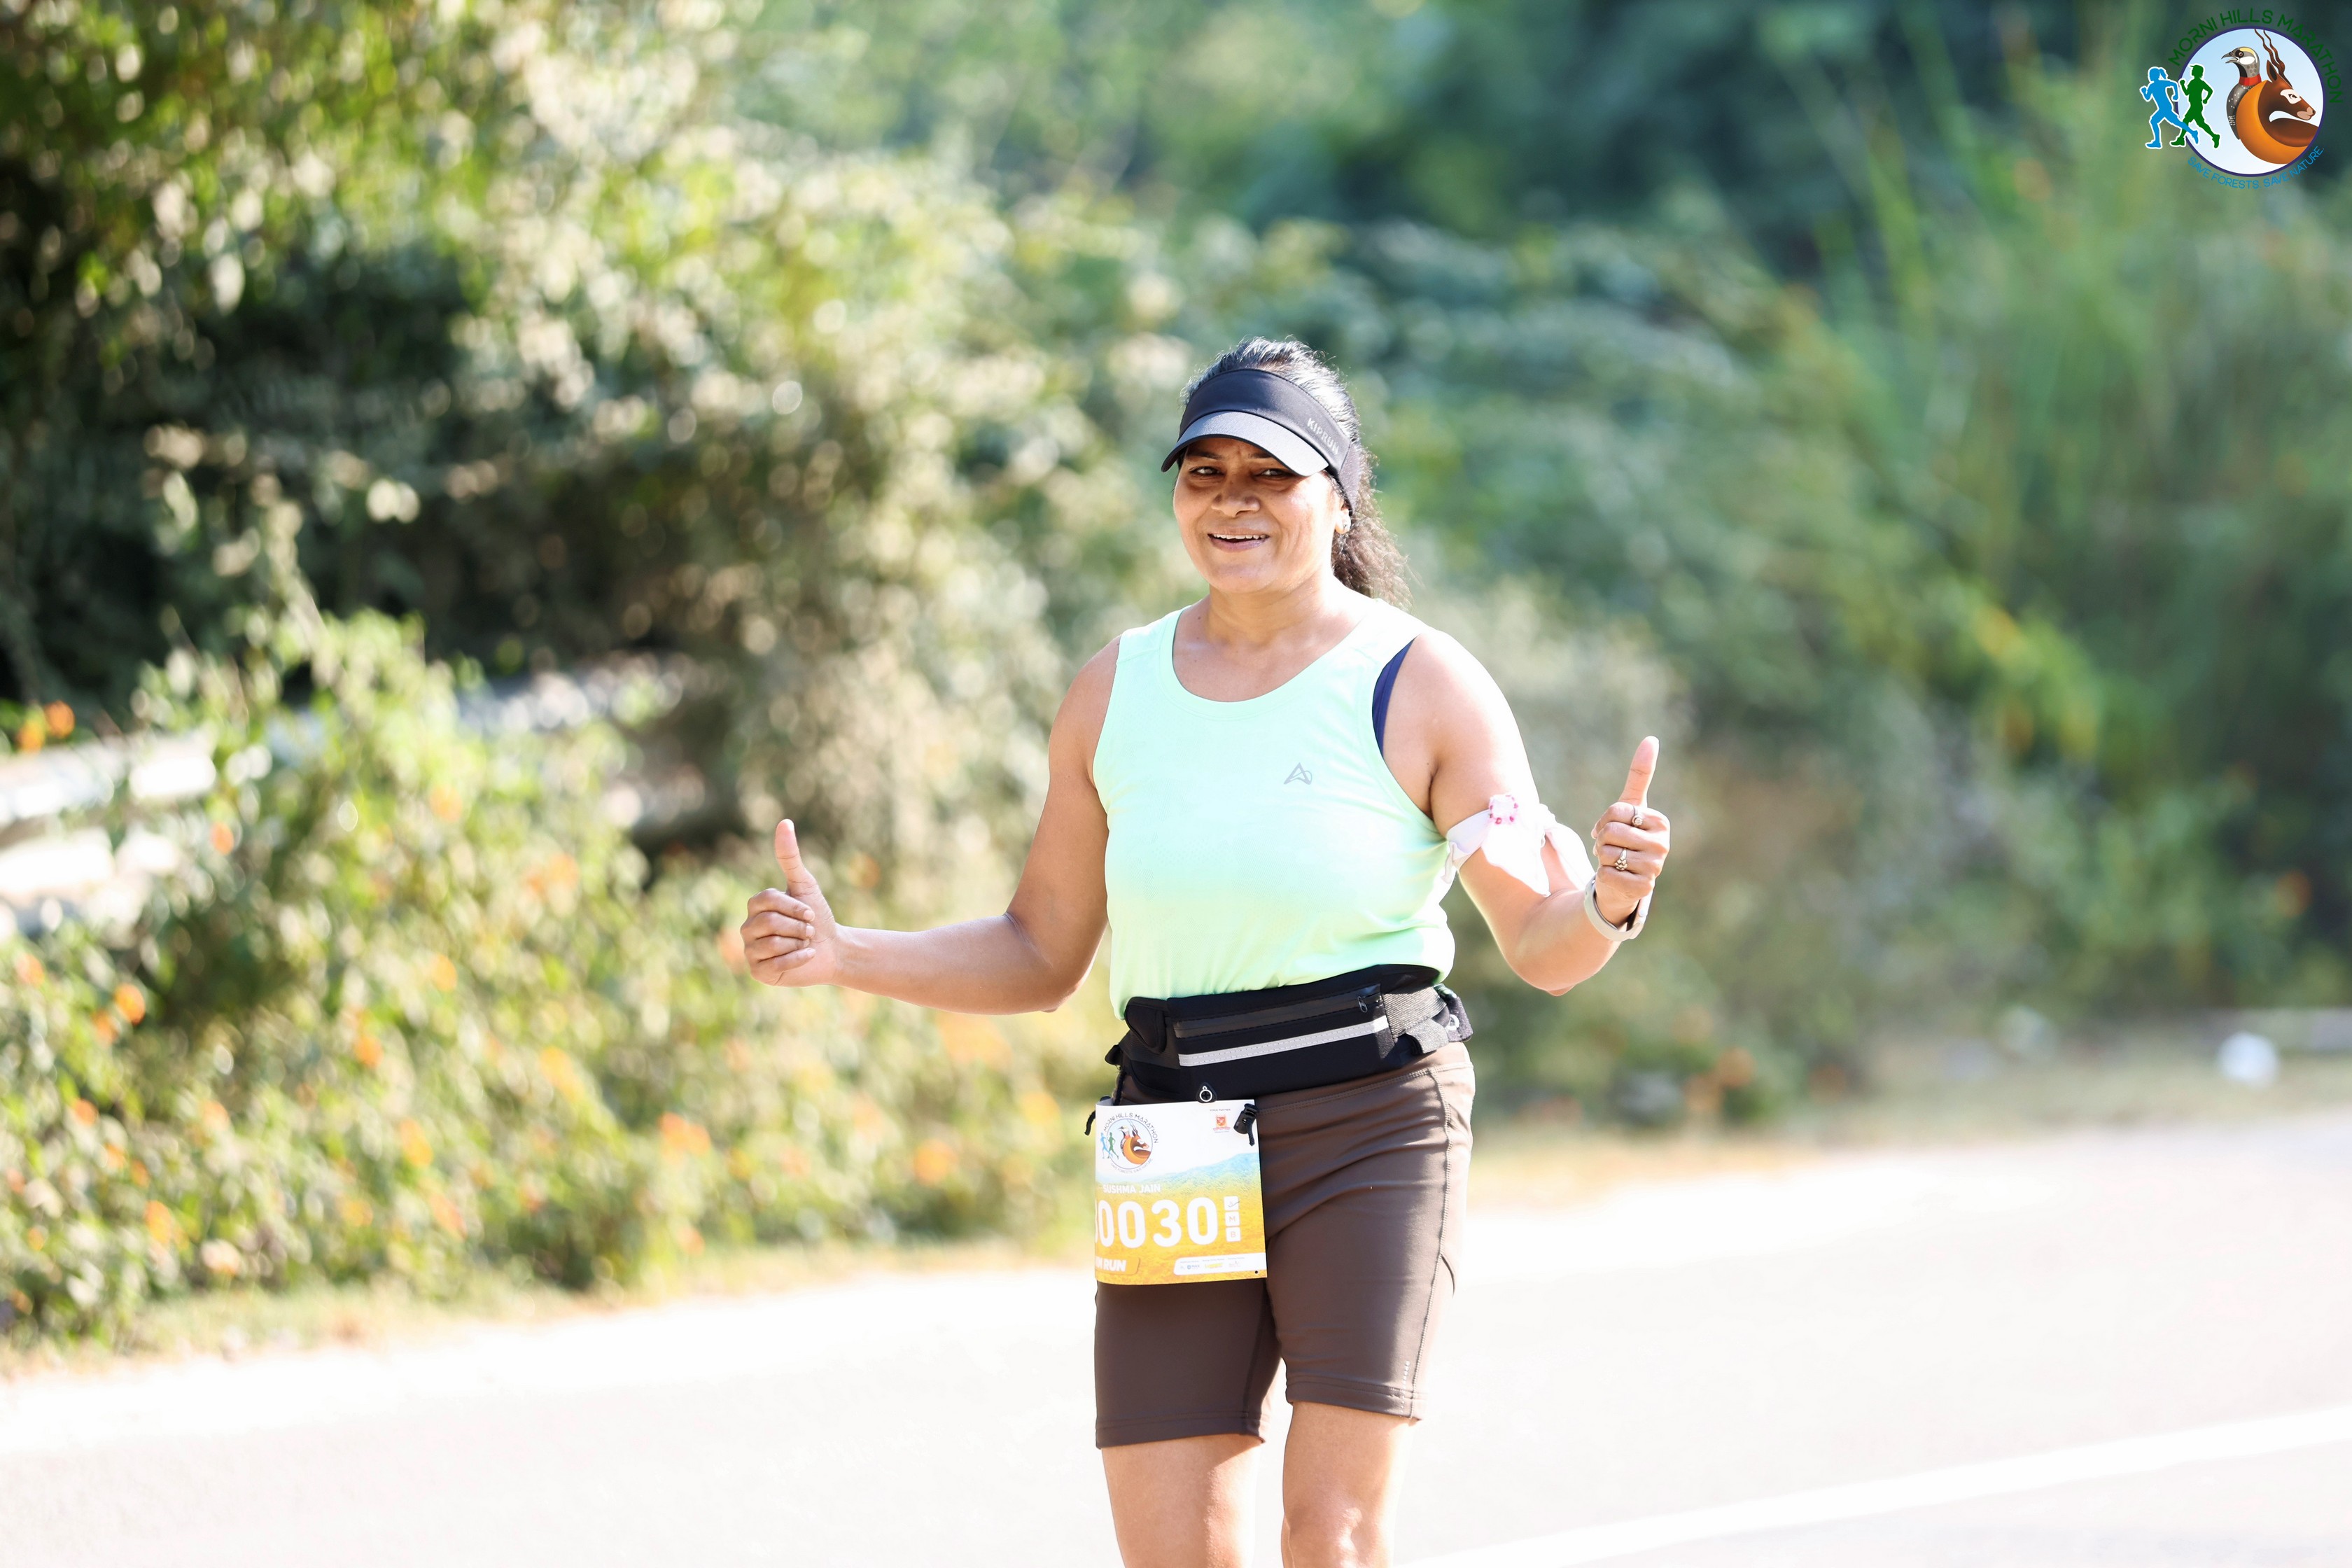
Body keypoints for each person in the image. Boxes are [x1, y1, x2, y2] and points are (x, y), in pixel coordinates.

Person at [738, 337, 1673, 1568]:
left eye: (1272, 474)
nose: (1234, 501)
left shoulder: (1421, 681)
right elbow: (1039, 952)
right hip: (1173, 1137)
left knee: (1330, 1536)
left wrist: (1608, 901)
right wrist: (844, 952)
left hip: (1369, 1127)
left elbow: (1544, 948)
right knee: (1174, 1551)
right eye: (1205, 472)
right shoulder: (1114, 688)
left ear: (1339, 495)